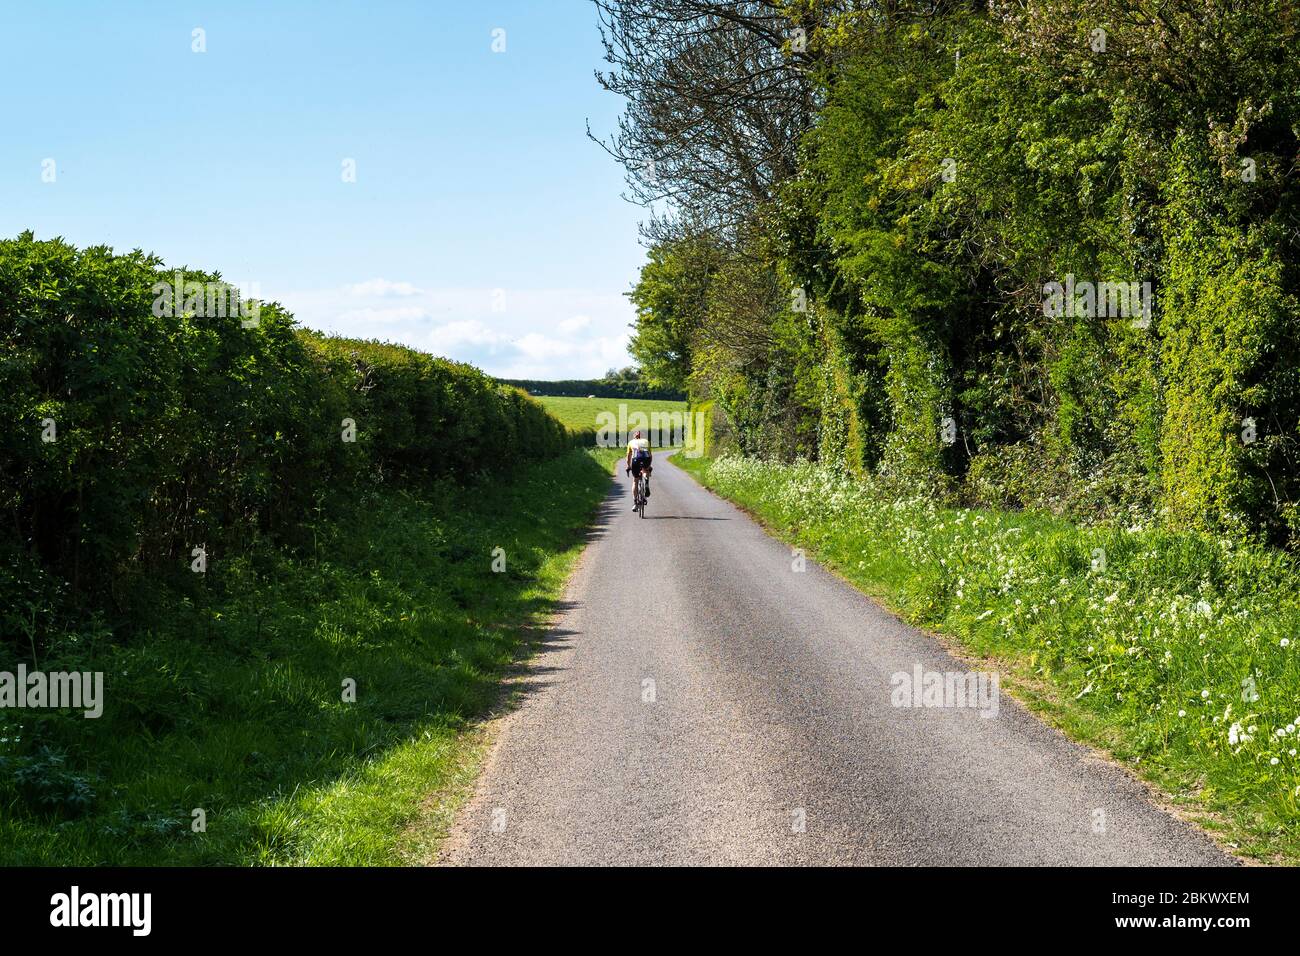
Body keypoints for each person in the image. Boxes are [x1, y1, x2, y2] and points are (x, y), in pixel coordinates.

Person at [625, 430, 652, 508]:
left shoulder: (631, 442)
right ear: (641, 437)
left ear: (634, 436)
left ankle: (635, 503)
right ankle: (646, 480)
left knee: (635, 480)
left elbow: (628, 457)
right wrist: (649, 466)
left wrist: (628, 466)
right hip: (646, 458)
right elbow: (650, 455)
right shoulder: (646, 441)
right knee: (645, 470)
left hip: (636, 459)